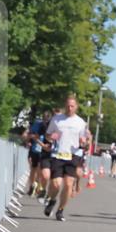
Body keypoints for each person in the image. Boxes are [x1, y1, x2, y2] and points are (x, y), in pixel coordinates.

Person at [43, 94, 90, 222]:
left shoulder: (81, 122)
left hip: (73, 155)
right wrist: (51, 137)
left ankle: (60, 210)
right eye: (68, 106)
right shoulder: (57, 119)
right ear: (65, 106)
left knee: (68, 185)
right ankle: (52, 200)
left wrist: (83, 142)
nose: (70, 108)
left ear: (76, 107)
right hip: (58, 154)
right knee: (56, 184)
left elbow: (85, 142)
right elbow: (47, 135)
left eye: (72, 106)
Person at [25, 110, 52, 197]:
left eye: (47, 119)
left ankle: (37, 185)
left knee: (39, 169)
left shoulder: (51, 125)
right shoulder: (37, 124)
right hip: (36, 149)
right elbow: (30, 135)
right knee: (34, 168)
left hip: (43, 150)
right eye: (44, 119)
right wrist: (30, 140)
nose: (45, 121)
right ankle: (33, 185)